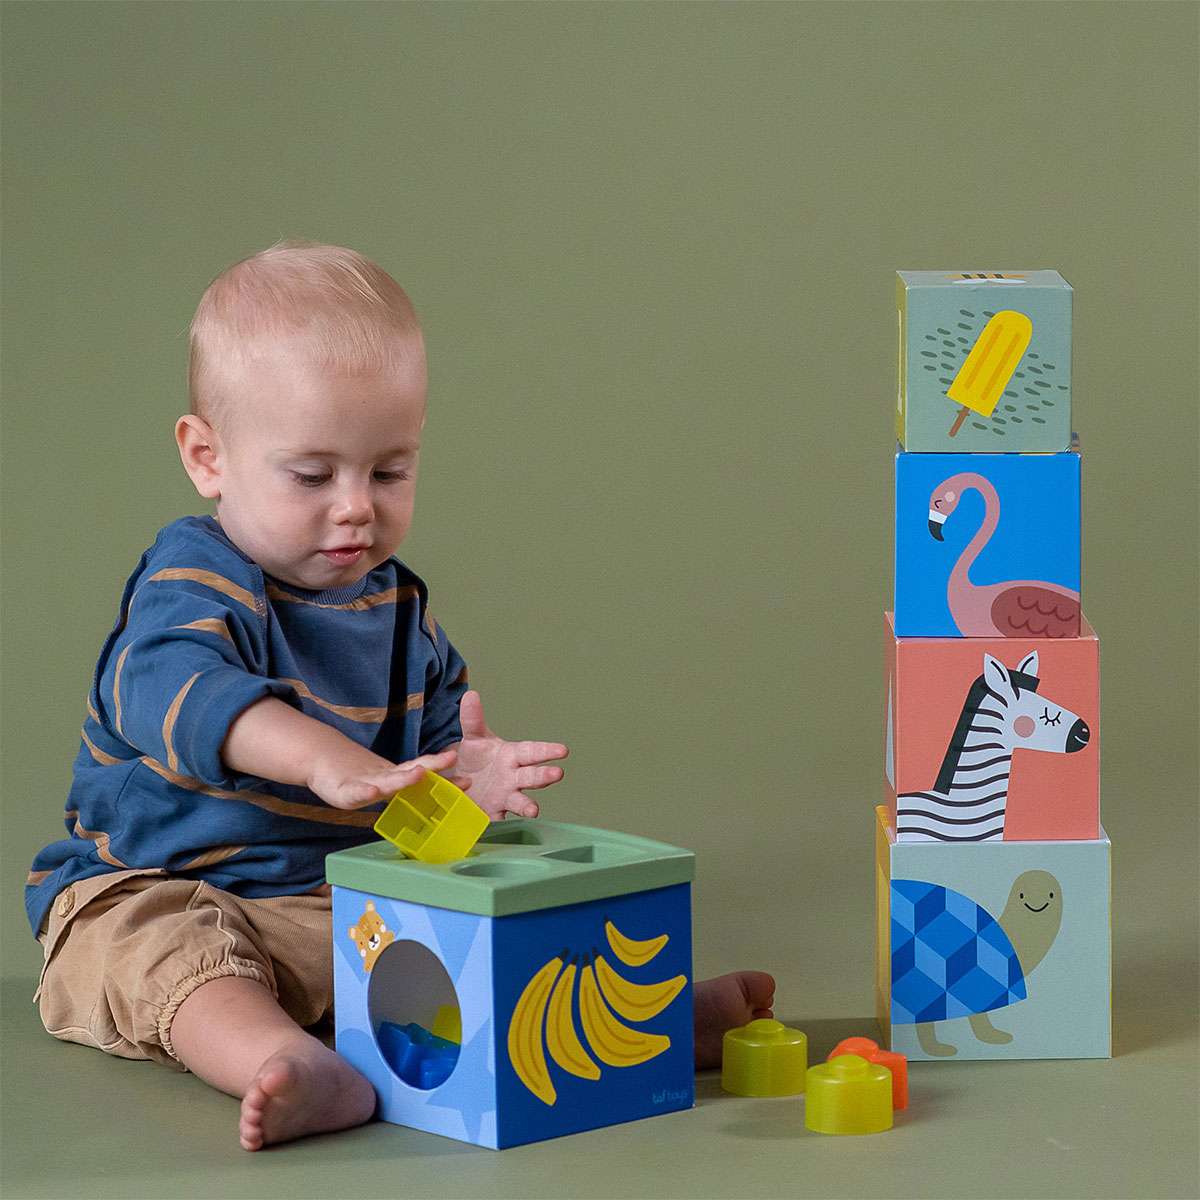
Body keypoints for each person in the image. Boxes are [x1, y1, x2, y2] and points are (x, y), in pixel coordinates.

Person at [26, 241, 775, 1150]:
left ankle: (638, 1024)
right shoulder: (193, 578)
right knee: (167, 953)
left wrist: (461, 783)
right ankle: (277, 1060)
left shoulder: (395, 605)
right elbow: (177, 690)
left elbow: (414, 782)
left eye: (389, 471)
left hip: (329, 902)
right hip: (160, 883)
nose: (356, 506)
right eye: (312, 475)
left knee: (437, 923)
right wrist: (322, 760)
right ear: (208, 457)